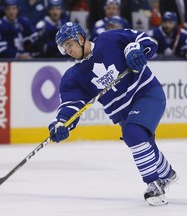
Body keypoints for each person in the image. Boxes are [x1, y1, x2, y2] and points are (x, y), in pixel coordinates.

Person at [48, 21, 178, 206]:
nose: (67, 49)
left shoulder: (109, 39)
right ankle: (167, 174)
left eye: (69, 44)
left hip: (146, 93)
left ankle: (153, 184)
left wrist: (135, 50)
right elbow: (70, 105)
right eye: (63, 47)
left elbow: (145, 40)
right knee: (142, 140)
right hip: (123, 114)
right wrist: (61, 122)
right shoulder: (73, 77)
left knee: (133, 132)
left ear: (81, 38)